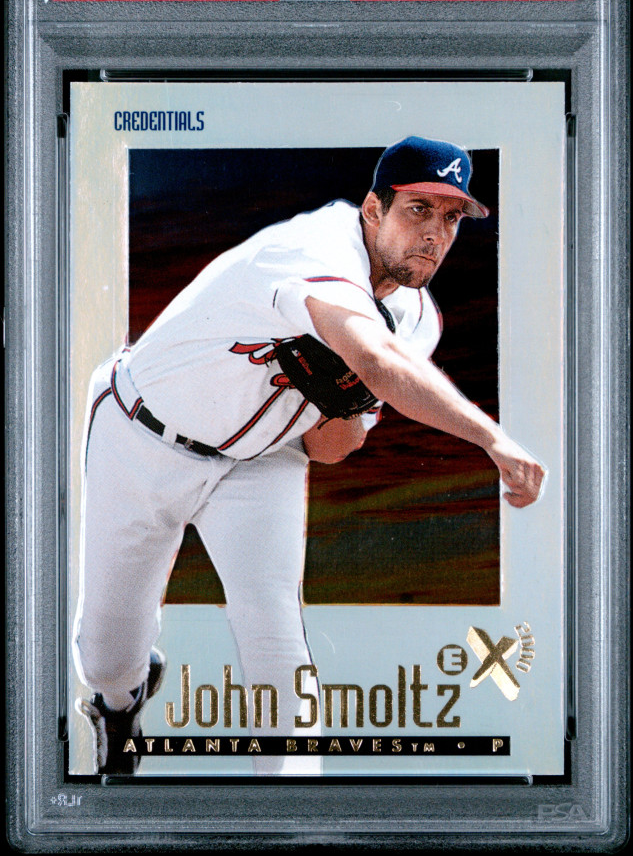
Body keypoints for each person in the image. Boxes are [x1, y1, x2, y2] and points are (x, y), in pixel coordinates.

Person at [74, 135, 545, 777]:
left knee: (275, 640)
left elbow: (329, 448)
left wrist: (342, 403)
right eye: (418, 209)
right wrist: (492, 438)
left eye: (451, 217)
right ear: (373, 209)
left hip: (262, 460)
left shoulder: (417, 322)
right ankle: (119, 703)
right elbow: (376, 359)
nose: (435, 233)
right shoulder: (316, 246)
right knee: (107, 655)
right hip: (142, 433)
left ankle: (292, 814)